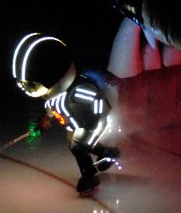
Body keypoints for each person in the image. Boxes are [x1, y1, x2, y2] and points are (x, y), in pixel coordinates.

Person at [12, 32, 120, 195]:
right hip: (76, 124)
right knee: (77, 143)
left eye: (32, 85)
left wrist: (92, 122)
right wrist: (46, 118)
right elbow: (51, 106)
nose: (29, 90)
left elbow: (97, 100)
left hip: (94, 121)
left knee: (78, 145)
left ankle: (90, 176)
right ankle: (107, 153)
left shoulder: (78, 91)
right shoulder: (51, 94)